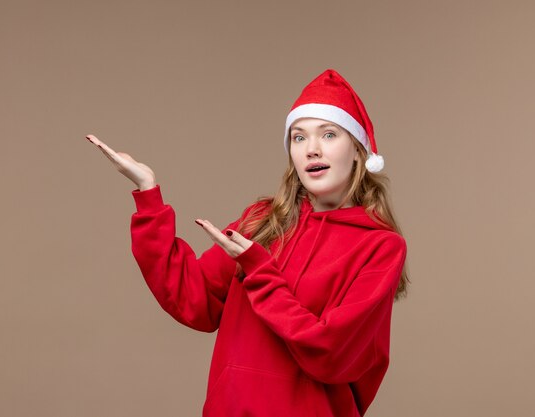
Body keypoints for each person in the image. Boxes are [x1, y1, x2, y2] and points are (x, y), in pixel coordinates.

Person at [84, 68, 410, 417]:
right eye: (299, 138)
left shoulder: (381, 247)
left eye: (328, 134)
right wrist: (148, 195)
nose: (312, 150)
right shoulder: (262, 221)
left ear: (359, 151)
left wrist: (259, 269)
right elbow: (192, 298)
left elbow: (330, 352)